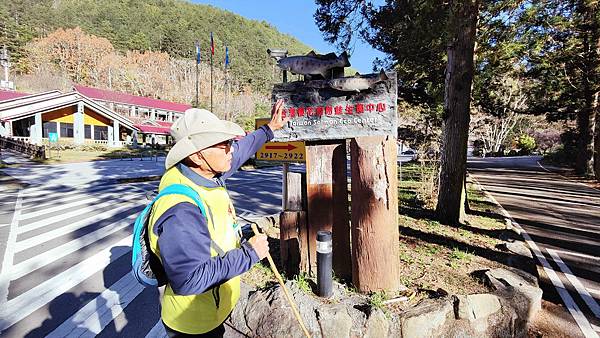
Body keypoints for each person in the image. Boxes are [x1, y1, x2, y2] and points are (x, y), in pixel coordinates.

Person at [148, 100, 287, 337]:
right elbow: (190, 279)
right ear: (197, 156)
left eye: (229, 142)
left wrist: (269, 129)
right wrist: (250, 253)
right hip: (193, 325)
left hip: (211, 312)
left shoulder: (204, 173)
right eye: (223, 144)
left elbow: (242, 150)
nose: (231, 149)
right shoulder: (181, 209)